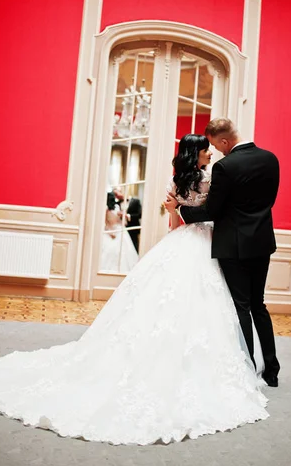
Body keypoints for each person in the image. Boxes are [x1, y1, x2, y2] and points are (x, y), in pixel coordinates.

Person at [0, 134, 268, 446]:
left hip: (181, 242)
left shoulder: (176, 179)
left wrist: (178, 210)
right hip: (205, 242)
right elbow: (216, 212)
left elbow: (174, 223)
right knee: (204, 305)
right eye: (206, 150)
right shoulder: (208, 178)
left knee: (170, 302)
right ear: (199, 153)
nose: (210, 154)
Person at [166, 119, 280, 387]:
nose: (214, 150)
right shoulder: (270, 159)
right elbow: (268, 201)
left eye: (215, 144)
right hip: (262, 241)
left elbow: (213, 211)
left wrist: (180, 209)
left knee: (240, 306)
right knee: (258, 305)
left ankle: (248, 367)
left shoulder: (225, 167)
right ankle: (272, 370)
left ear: (224, 141)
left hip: (232, 244)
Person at [101, 191, 138, 273]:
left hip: (114, 230)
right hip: (118, 230)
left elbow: (105, 222)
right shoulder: (116, 207)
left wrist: (110, 232)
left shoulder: (107, 209)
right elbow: (122, 222)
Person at [113, 186, 142, 251]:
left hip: (133, 228)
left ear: (122, 191)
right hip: (121, 229)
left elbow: (140, 215)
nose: (117, 196)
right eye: (115, 195)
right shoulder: (116, 204)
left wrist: (127, 215)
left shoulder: (136, 201)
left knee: (134, 247)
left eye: (117, 193)